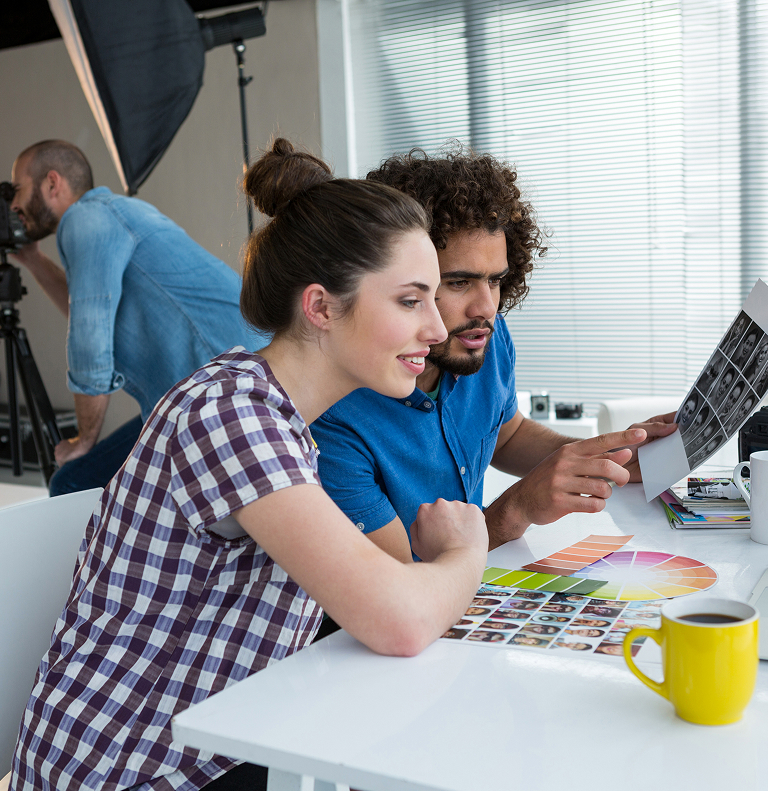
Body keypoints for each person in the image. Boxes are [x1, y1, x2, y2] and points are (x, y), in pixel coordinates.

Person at [8, 140, 489, 791]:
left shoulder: (280, 416)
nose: (436, 328)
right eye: (411, 300)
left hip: (213, 751)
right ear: (320, 307)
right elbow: (399, 620)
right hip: (128, 771)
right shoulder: (232, 417)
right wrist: (466, 550)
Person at [311, 146, 677, 559]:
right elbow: (399, 578)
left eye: (495, 280)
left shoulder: (481, 335)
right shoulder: (329, 417)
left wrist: (606, 457)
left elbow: (507, 434)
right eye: (459, 282)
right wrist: (517, 508)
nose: (486, 308)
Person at [9, 140, 266, 496]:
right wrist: (33, 259)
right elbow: (92, 312)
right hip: (233, 380)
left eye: (17, 190)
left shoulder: (84, 219)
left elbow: (90, 337)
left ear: (52, 183)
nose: (13, 206)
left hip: (221, 391)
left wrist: (84, 439)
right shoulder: (114, 211)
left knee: (73, 482)